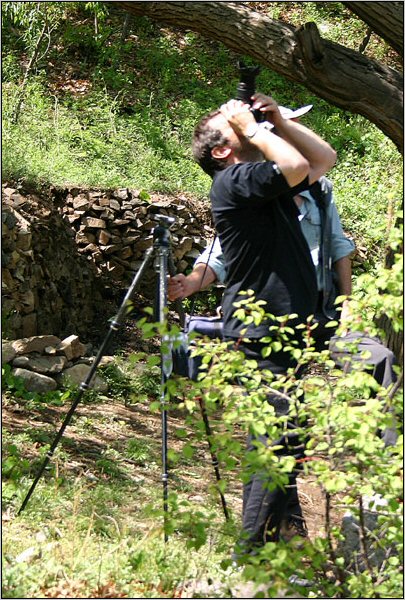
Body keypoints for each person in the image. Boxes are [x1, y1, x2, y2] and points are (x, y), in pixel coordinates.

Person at [174, 92, 337, 559]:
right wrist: (255, 130)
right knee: (274, 437)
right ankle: (250, 556)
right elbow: (292, 167)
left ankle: (284, 542)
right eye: (230, 128)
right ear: (223, 151)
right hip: (263, 327)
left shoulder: (258, 183)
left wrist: (277, 122)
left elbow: (320, 158)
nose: (241, 124)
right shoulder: (234, 183)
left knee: (283, 436)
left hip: (285, 327)